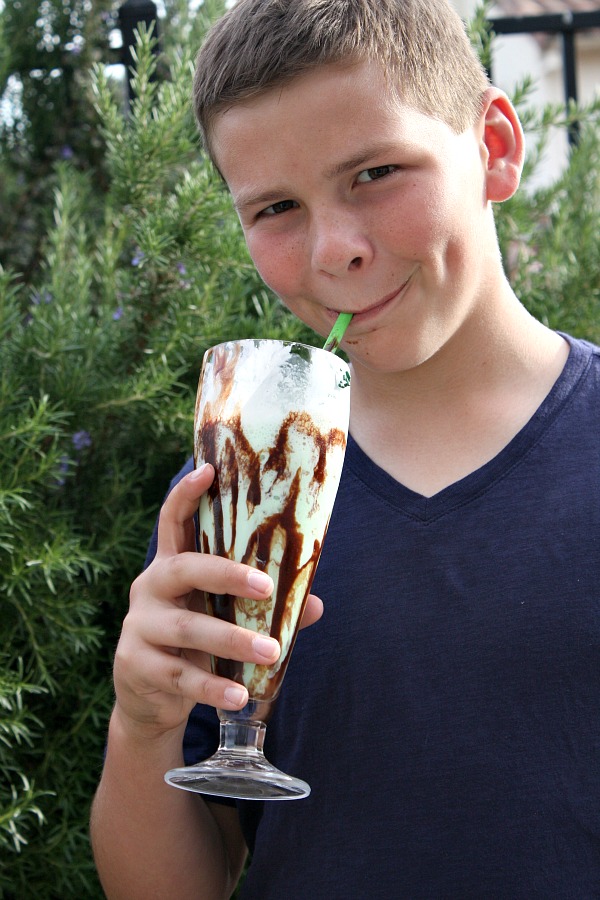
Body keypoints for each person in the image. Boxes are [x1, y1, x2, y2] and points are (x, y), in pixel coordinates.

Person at [90, 0, 600, 897]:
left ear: (495, 145)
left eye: (375, 172)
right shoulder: (234, 498)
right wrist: (141, 726)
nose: (336, 250)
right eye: (276, 207)